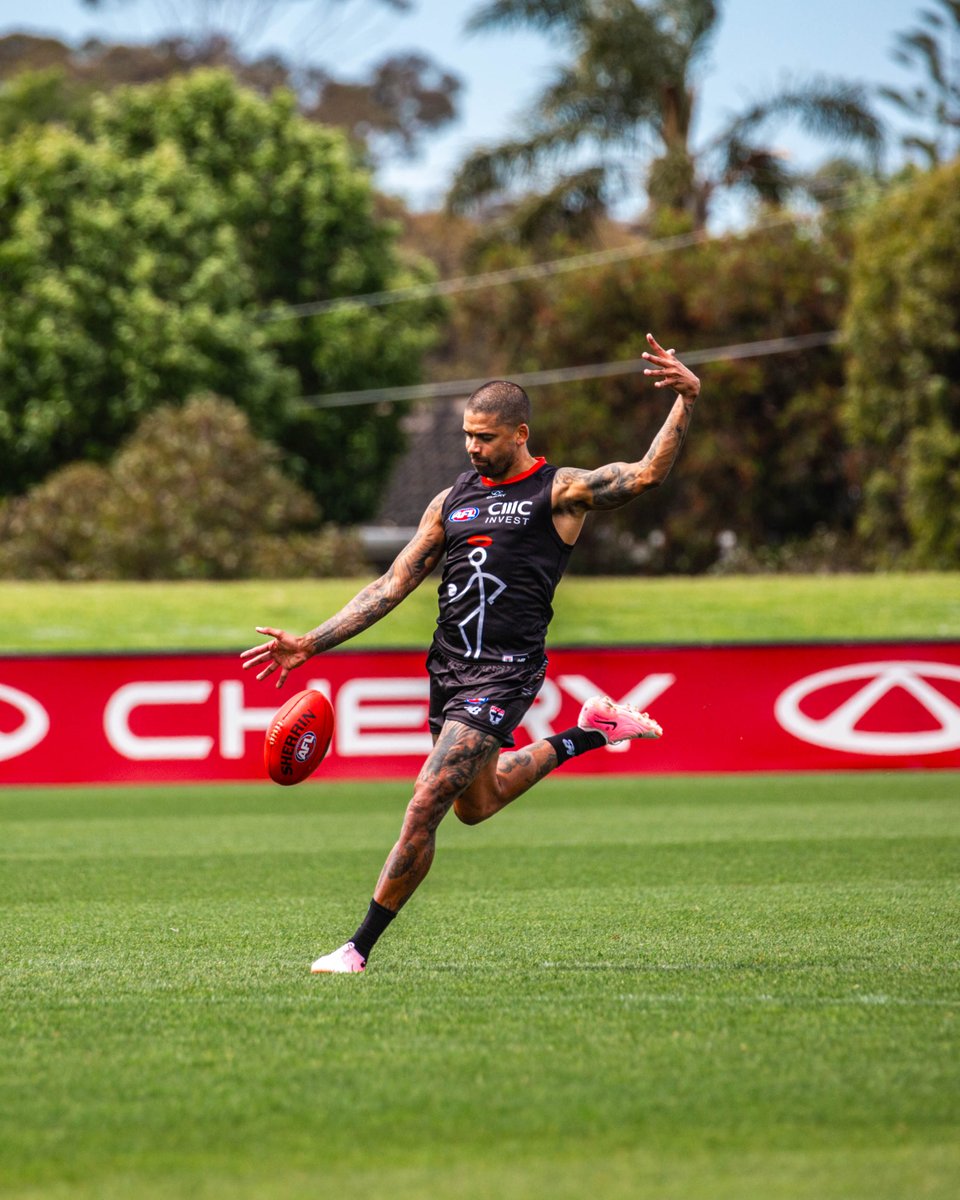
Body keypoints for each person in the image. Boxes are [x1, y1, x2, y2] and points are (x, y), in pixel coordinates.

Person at [241, 332, 701, 973]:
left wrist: (684, 400)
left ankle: (357, 947)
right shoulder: (451, 500)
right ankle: (592, 732)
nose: (471, 448)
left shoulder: (560, 491)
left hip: (506, 672)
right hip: (450, 670)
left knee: (425, 800)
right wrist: (311, 643)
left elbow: (645, 474)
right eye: (466, 436)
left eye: (484, 437)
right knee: (475, 805)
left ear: (519, 432)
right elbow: (391, 583)